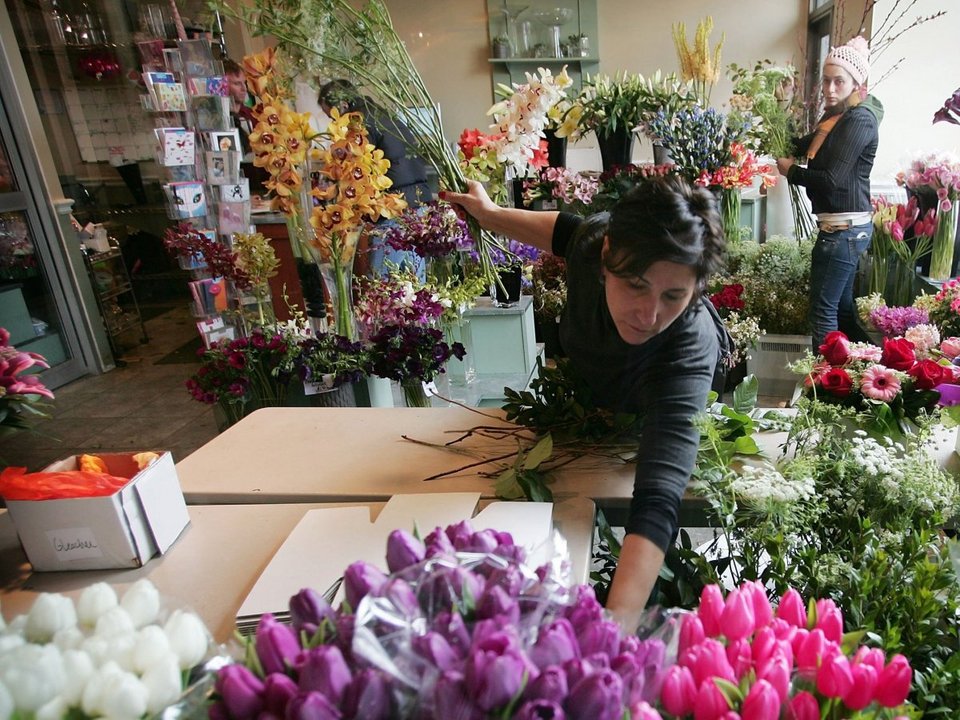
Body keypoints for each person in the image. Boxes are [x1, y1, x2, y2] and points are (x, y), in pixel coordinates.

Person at [441, 175, 730, 630]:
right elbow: (566, 231)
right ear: (607, 256)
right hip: (596, 400)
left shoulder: (688, 346)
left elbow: (657, 498)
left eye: (674, 294)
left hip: (659, 402)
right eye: (635, 285)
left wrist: (615, 629)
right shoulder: (596, 241)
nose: (649, 314)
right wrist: (490, 214)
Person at [777, 36, 883, 350]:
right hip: (840, 229)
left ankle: (825, 379)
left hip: (843, 231)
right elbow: (797, 146)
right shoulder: (834, 117)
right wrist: (781, 106)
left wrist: (791, 172)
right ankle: (875, 367)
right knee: (842, 312)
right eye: (826, 80)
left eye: (839, 82)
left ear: (856, 84)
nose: (830, 89)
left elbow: (831, 180)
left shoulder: (860, 120)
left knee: (823, 312)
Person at [318, 79, 430, 278]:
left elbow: (356, 172)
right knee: (414, 285)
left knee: (382, 284)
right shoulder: (384, 115)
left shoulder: (359, 125)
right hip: (418, 205)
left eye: (332, 116)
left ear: (343, 105)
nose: (334, 123)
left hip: (392, 209)